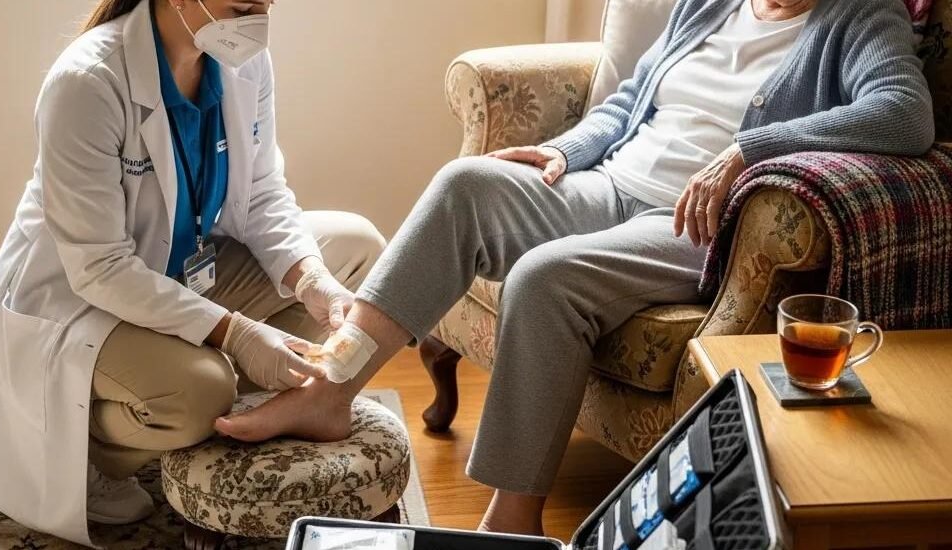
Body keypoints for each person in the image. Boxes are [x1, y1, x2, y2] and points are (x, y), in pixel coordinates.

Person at [213, 0, 934, 536]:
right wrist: (567, 150)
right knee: (463, 186)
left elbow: (905, 114)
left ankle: (512, 520)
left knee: (543, 277)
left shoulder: (859, 15)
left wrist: (751, 149)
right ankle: (333, 387)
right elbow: (630, 101)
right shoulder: (711, 3)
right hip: (610, 184)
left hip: (689, 225)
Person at [0, 0, 385, 544]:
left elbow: (261, 194)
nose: (258, 20)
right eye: (244, 5)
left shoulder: (241, 60)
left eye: (266, 4)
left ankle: (229, 390)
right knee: (202, 392)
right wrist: (235, 334)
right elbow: (100, 267)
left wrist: (312, 279)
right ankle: (90, 447)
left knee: (358, 247)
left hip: (180, 268)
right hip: (83, 296)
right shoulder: (87, 82)